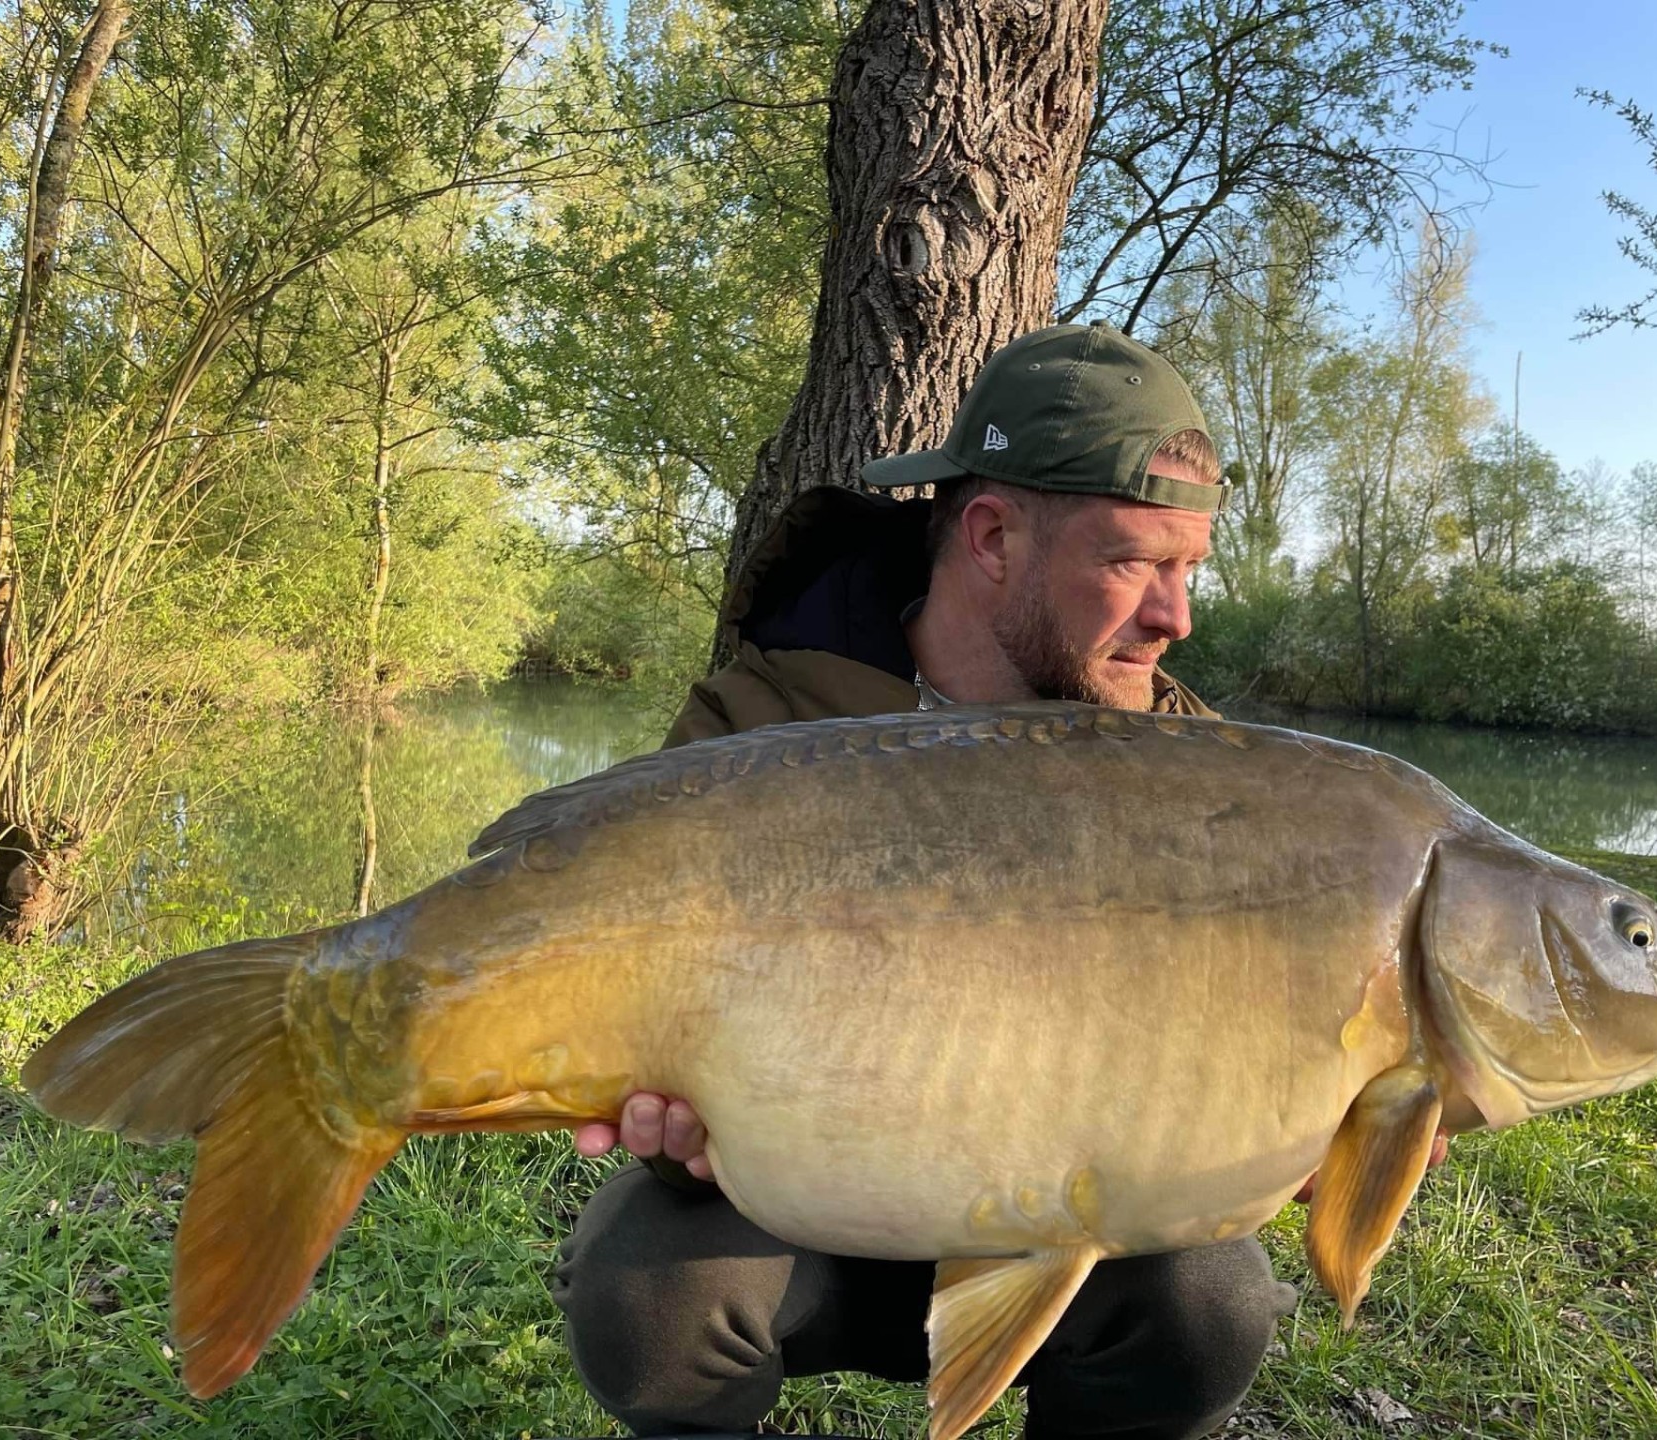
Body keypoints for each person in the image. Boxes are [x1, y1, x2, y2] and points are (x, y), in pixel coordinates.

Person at [549, 322, 1297, 1440]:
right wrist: (674, 1116)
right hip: (800, 1223)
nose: (1175, 616)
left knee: (1211, 1303)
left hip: (1067, 1227)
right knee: (645, 1295)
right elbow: (648, 1016)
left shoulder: (1191, 773)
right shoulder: (760, 720)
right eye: (1137, 562)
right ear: (993, 534)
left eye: (1189, 569)